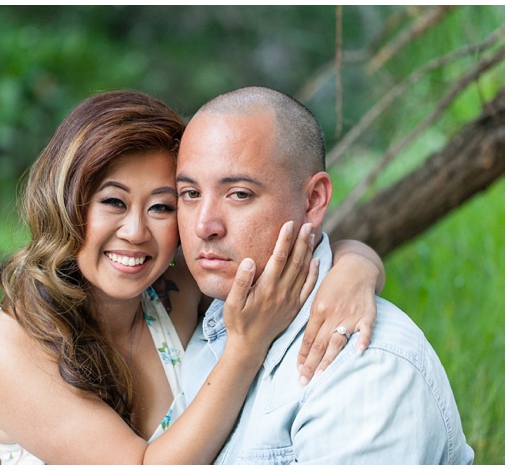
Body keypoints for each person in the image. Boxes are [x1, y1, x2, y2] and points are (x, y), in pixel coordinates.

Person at [0, 90, 386, 465]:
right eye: (113, 202)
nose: (137, 232)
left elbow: (294, 252)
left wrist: (356, 268)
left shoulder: (174, 292)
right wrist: (245, 347)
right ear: (67, 202)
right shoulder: (13, 346)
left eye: (162, 206)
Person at [177, 86, 474, 464]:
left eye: (238, 194)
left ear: (314, 200)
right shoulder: (198, 323)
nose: (205, 225)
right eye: (189, 193)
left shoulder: (364, 369)